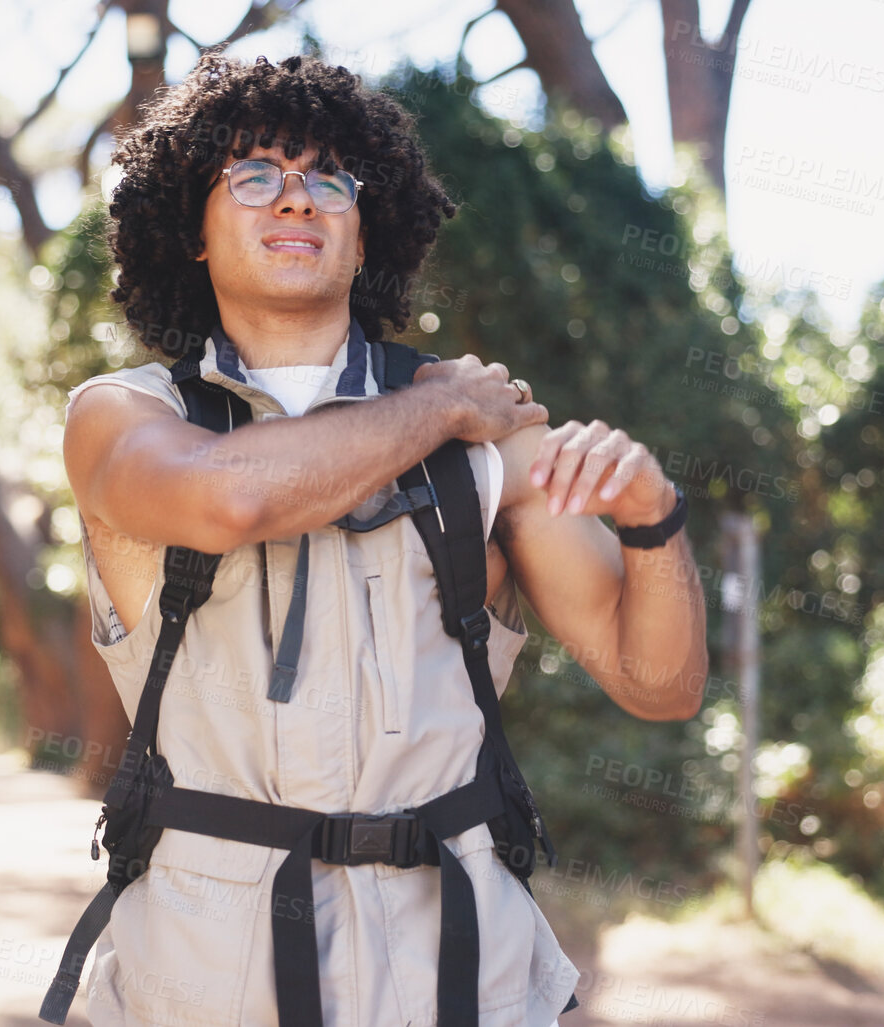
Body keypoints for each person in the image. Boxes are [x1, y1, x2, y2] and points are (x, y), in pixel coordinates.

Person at [57, 52, 709, 1027]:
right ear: (190, 229)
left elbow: (661, 686)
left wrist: (656, 517)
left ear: (367, 238)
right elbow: (223, 502)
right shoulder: (122, 417)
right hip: (201, 985)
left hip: (461, 977)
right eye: (251, 177)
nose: (295, 200)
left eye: (329, 180)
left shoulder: (495, 444)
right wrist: (437, 407)